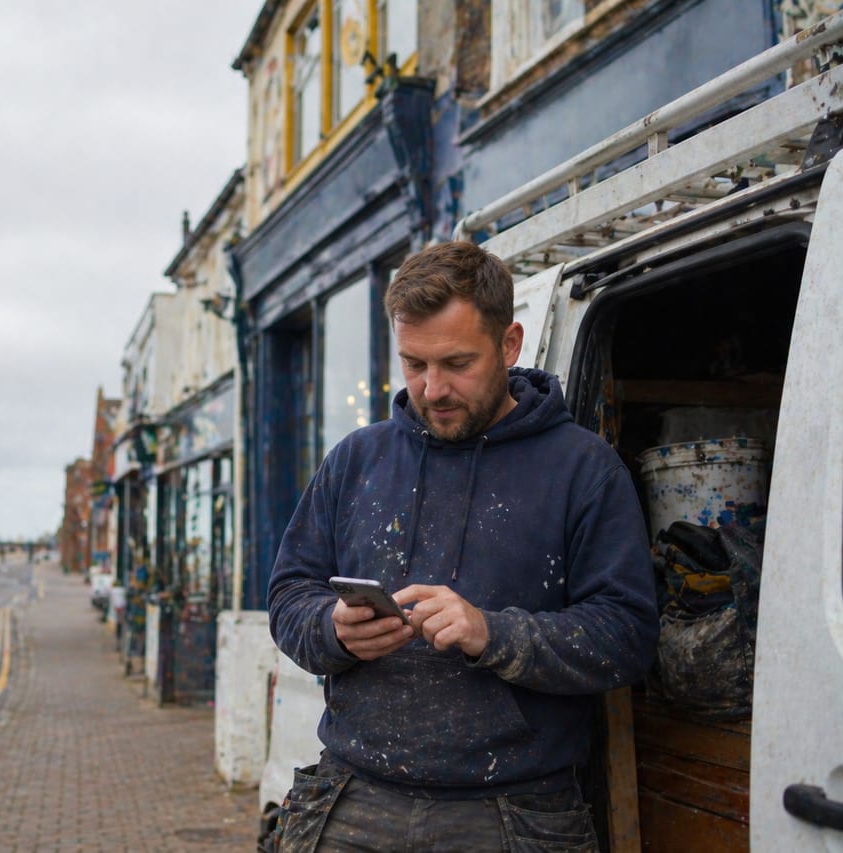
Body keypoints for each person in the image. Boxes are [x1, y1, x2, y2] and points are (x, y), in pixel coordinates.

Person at [266, 241, 659, 852]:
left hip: (513, 813)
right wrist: (331, 629)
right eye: (414, 364)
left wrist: (492, 633)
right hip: (353, 799)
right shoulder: (355, 460)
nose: (433, 389)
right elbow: (289, 596)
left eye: (456, 363)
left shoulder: (585, 470)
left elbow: (627, 637)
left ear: (510, 344)